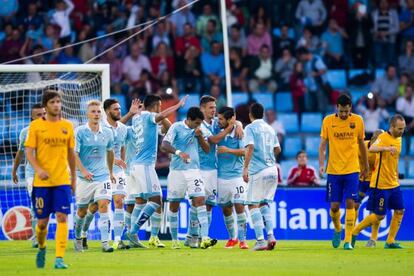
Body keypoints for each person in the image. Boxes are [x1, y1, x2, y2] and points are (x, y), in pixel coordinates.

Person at [126, 95, 188, 248]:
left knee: (140, 201)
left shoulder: (137, 118)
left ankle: (131, 236)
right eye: (160, 106)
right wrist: (177, 106)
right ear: (155, 106)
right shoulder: (149, 116)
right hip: (145, 166)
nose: (161, 109)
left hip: (135, 165)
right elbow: (162, 116)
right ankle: (133, 231)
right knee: (156, 200)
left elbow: (166, 127)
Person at [25, 90, 76, 269]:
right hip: (42, 183)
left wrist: (74, 179)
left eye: (58, 102)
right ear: (46, 106)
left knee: (62, 217)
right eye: (52, 102)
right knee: (42, 223)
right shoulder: (36, 126)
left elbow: (71, 155)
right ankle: (42, 247)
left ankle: (59, 258)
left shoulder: (67, 126)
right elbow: (29, 152)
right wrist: (38, 169)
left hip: (62, 180)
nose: (56, 105)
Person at [161, 107, 217, 249]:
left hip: (193, 170)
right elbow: (164, 145)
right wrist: (179, 152)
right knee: (174, 205)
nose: (198, 126)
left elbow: (207, 149)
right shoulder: (176, 127)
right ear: (189, 119)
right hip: (177, 171)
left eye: (200, 123)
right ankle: (174, 241)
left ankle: (204, 238)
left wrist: (199, 136)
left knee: (200, 200)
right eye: (196, 123)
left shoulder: (200, 130)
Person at [319, 93, 368, 250]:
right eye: (341, 111)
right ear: (337, 108)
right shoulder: (328, 121)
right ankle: (338, 228)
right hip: (333, 170)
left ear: (350, 108)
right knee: (334, 207)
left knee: (351, 203)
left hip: (352, 169)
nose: (344, 114)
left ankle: (347, 240)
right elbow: (322, 145)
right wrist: (321, 164)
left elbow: (361, 144)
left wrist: (365, 165)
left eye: (347, 111)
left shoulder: (358, 120)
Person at [352, 115, 406, 249]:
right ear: (392, 127)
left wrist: (396, 176)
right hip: (380, 184)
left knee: (400, 210)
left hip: (393, 183)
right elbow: (371, 149)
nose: (402, 131)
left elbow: (395, 160)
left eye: (403, 128)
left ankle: (390, 241)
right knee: (379, 215)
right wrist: (386, 148)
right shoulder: (382, 138)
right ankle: (355, 231)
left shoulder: (399, 139)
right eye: (399, 128)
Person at [73, 100, 115, 253]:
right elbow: (74, 154)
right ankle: (78, 238)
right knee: (82, 211)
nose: (96, 114)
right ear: (87, 114)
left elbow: (110, 152)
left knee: (103, 205)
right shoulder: (79, 131)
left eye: (98, 112)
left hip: (102, 177)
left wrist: (110, 173)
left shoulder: (108, 132)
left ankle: (105, 243)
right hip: (84, 179)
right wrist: (83, 170)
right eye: (93, 112)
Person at [243, 103, 281, 251]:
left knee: (252, 204)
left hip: (258, 171)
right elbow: (278, 149)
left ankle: (260, 240)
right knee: (264, 204)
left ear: (250, 114)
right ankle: (271, 236)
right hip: (272, 170)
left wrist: (245, 167)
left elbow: (250, 147)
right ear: (263, 113)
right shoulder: (270, 128)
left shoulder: (250, 128)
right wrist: (268, 157)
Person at [12, 104, 46, 248]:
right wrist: (14, 170)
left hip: (51, 173)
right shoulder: (25, 132)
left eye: (43, 113)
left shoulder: (53, 129)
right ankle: (36, 238)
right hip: (32, 173)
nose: (42, 116)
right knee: (36, 203)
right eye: (38, 115)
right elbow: (20, 153)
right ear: (32, 117)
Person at [216, 107, 248, 249]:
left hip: (236, 176)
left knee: (239, 206)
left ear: (229, 119)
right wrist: (237, 123)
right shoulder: (217, 129)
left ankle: (243, 240)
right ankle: (232, 238)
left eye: (221, 118)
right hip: (221, 177)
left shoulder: (239, 132)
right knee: (226, 209)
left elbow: (246, 152)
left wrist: (228, 150)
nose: (219, 121)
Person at [103, 99, 129, 250]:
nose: (119, 111)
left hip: (118, 171)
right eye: (115, 109)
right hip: (102, 171)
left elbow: (123, 147)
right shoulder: (100, 128)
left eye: (119, 108)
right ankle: (83, 234)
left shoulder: (123, 129)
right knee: (97, 206)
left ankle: (117, 239)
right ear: (107, 111)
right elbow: (100, 152)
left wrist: (122, 162)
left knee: (119, 201)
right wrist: (115, 160)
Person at [354, 129, 384, 248]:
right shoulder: (361, 146)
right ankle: (350, 232)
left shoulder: (381, 150)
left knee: (374, 211)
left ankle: (373, 238)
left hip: (375, 182)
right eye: (379, 138)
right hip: (361, 180)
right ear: (373, 138)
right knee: (355, 205)